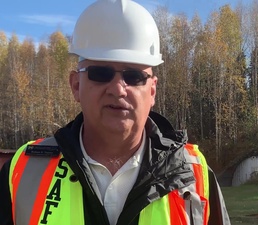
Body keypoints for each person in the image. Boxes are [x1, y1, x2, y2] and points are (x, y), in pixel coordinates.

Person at [0, 0, 231, 224]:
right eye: (100, 73)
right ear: (76, 85)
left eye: (133, 76)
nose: (118, 88)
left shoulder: (193, 174)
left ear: (152, 91)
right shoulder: (25, 171)